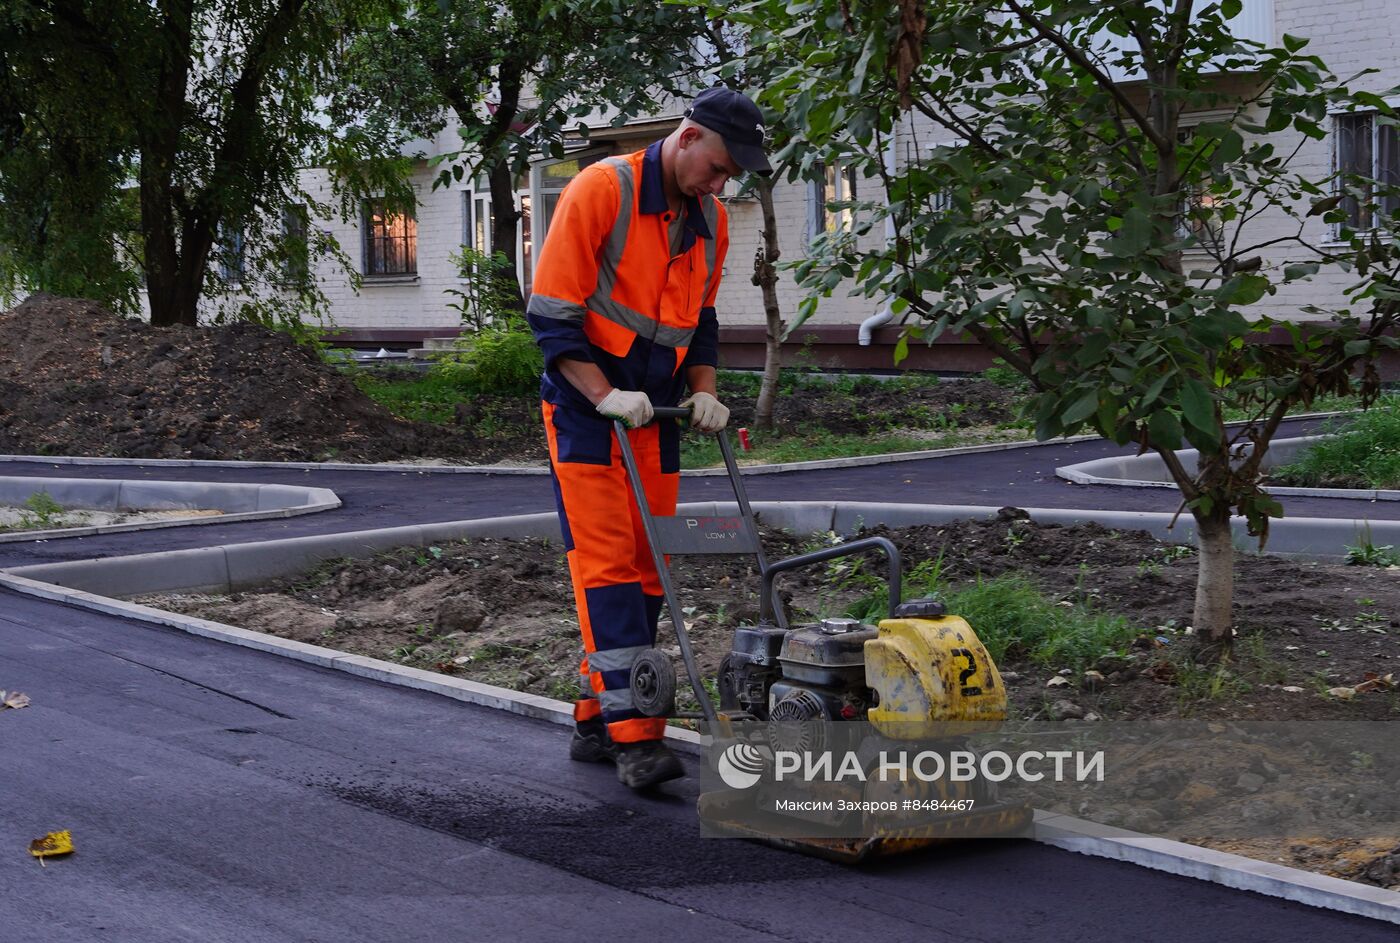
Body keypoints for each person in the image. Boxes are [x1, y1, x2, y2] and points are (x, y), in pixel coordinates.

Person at [527, 88, 771, 789]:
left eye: (730, 176)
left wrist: (704, 389)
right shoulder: (600, 191)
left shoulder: (711, 219)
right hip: (586, 411)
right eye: (719, 167)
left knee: (647, 569)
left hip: (655, 415)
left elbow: (702, 320)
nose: (721, 183)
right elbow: (551, 318)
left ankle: (593, 717)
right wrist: (604, 393)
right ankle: (637, 740)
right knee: (605, 566)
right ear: (688, 137)